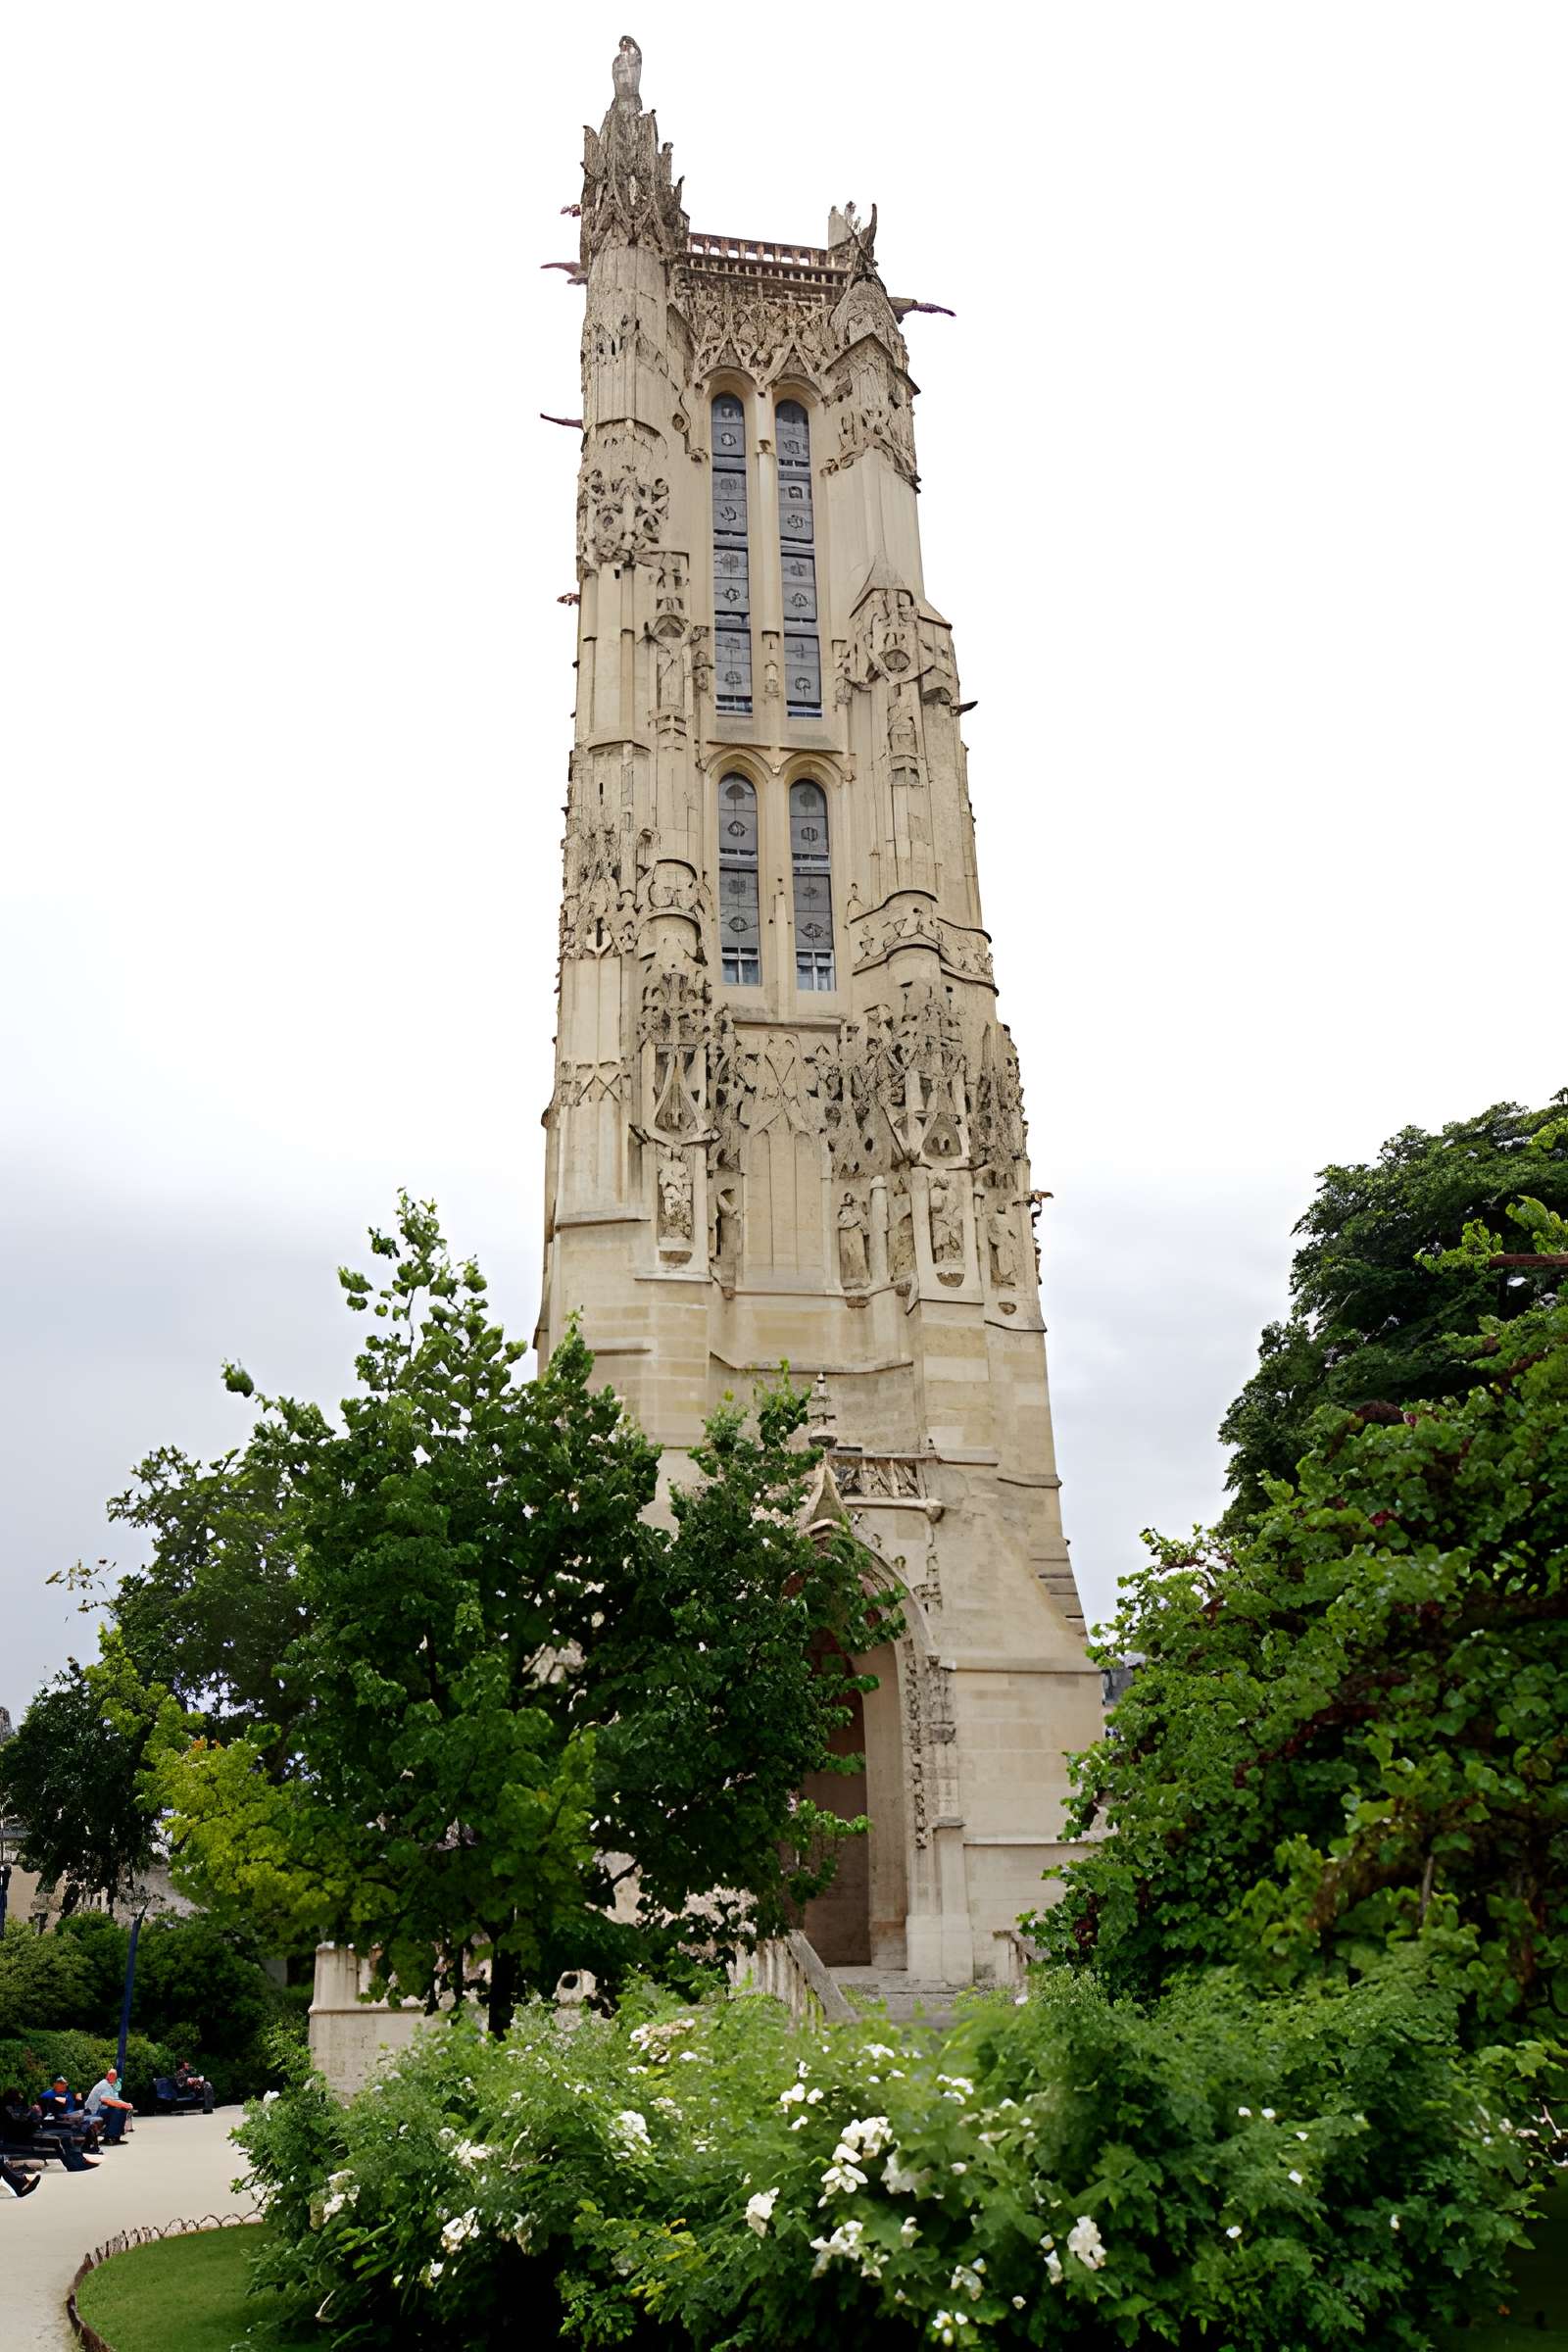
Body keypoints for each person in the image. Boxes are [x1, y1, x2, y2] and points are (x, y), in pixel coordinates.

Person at [0, 2087, 99, 2172]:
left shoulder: (14, 2107)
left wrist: (34, 2117)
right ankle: (72, 2165)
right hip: (19, 2137)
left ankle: (79, 2159)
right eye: (19, 2095)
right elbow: (20, 2124)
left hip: (25, 2133)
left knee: (66, 2137)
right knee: (56, 2140)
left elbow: (24, 2122)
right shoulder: (9, 2108)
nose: (21, 2096)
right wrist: (35, 2118)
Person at [84, 2067, 133, 2144]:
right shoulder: (104, 2084)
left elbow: (116, 2100)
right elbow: (107, 2100)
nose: (112, 2077)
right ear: (107, 2076)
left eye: (114, 2075)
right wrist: (125, 2105)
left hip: (100, 2110)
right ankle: (110, 2137)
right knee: (117, 2109)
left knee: (121, 2107)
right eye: (111, 2075)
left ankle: (115, 2137)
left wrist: (127, 2104)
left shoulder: (111, 2087)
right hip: (91, 2112)